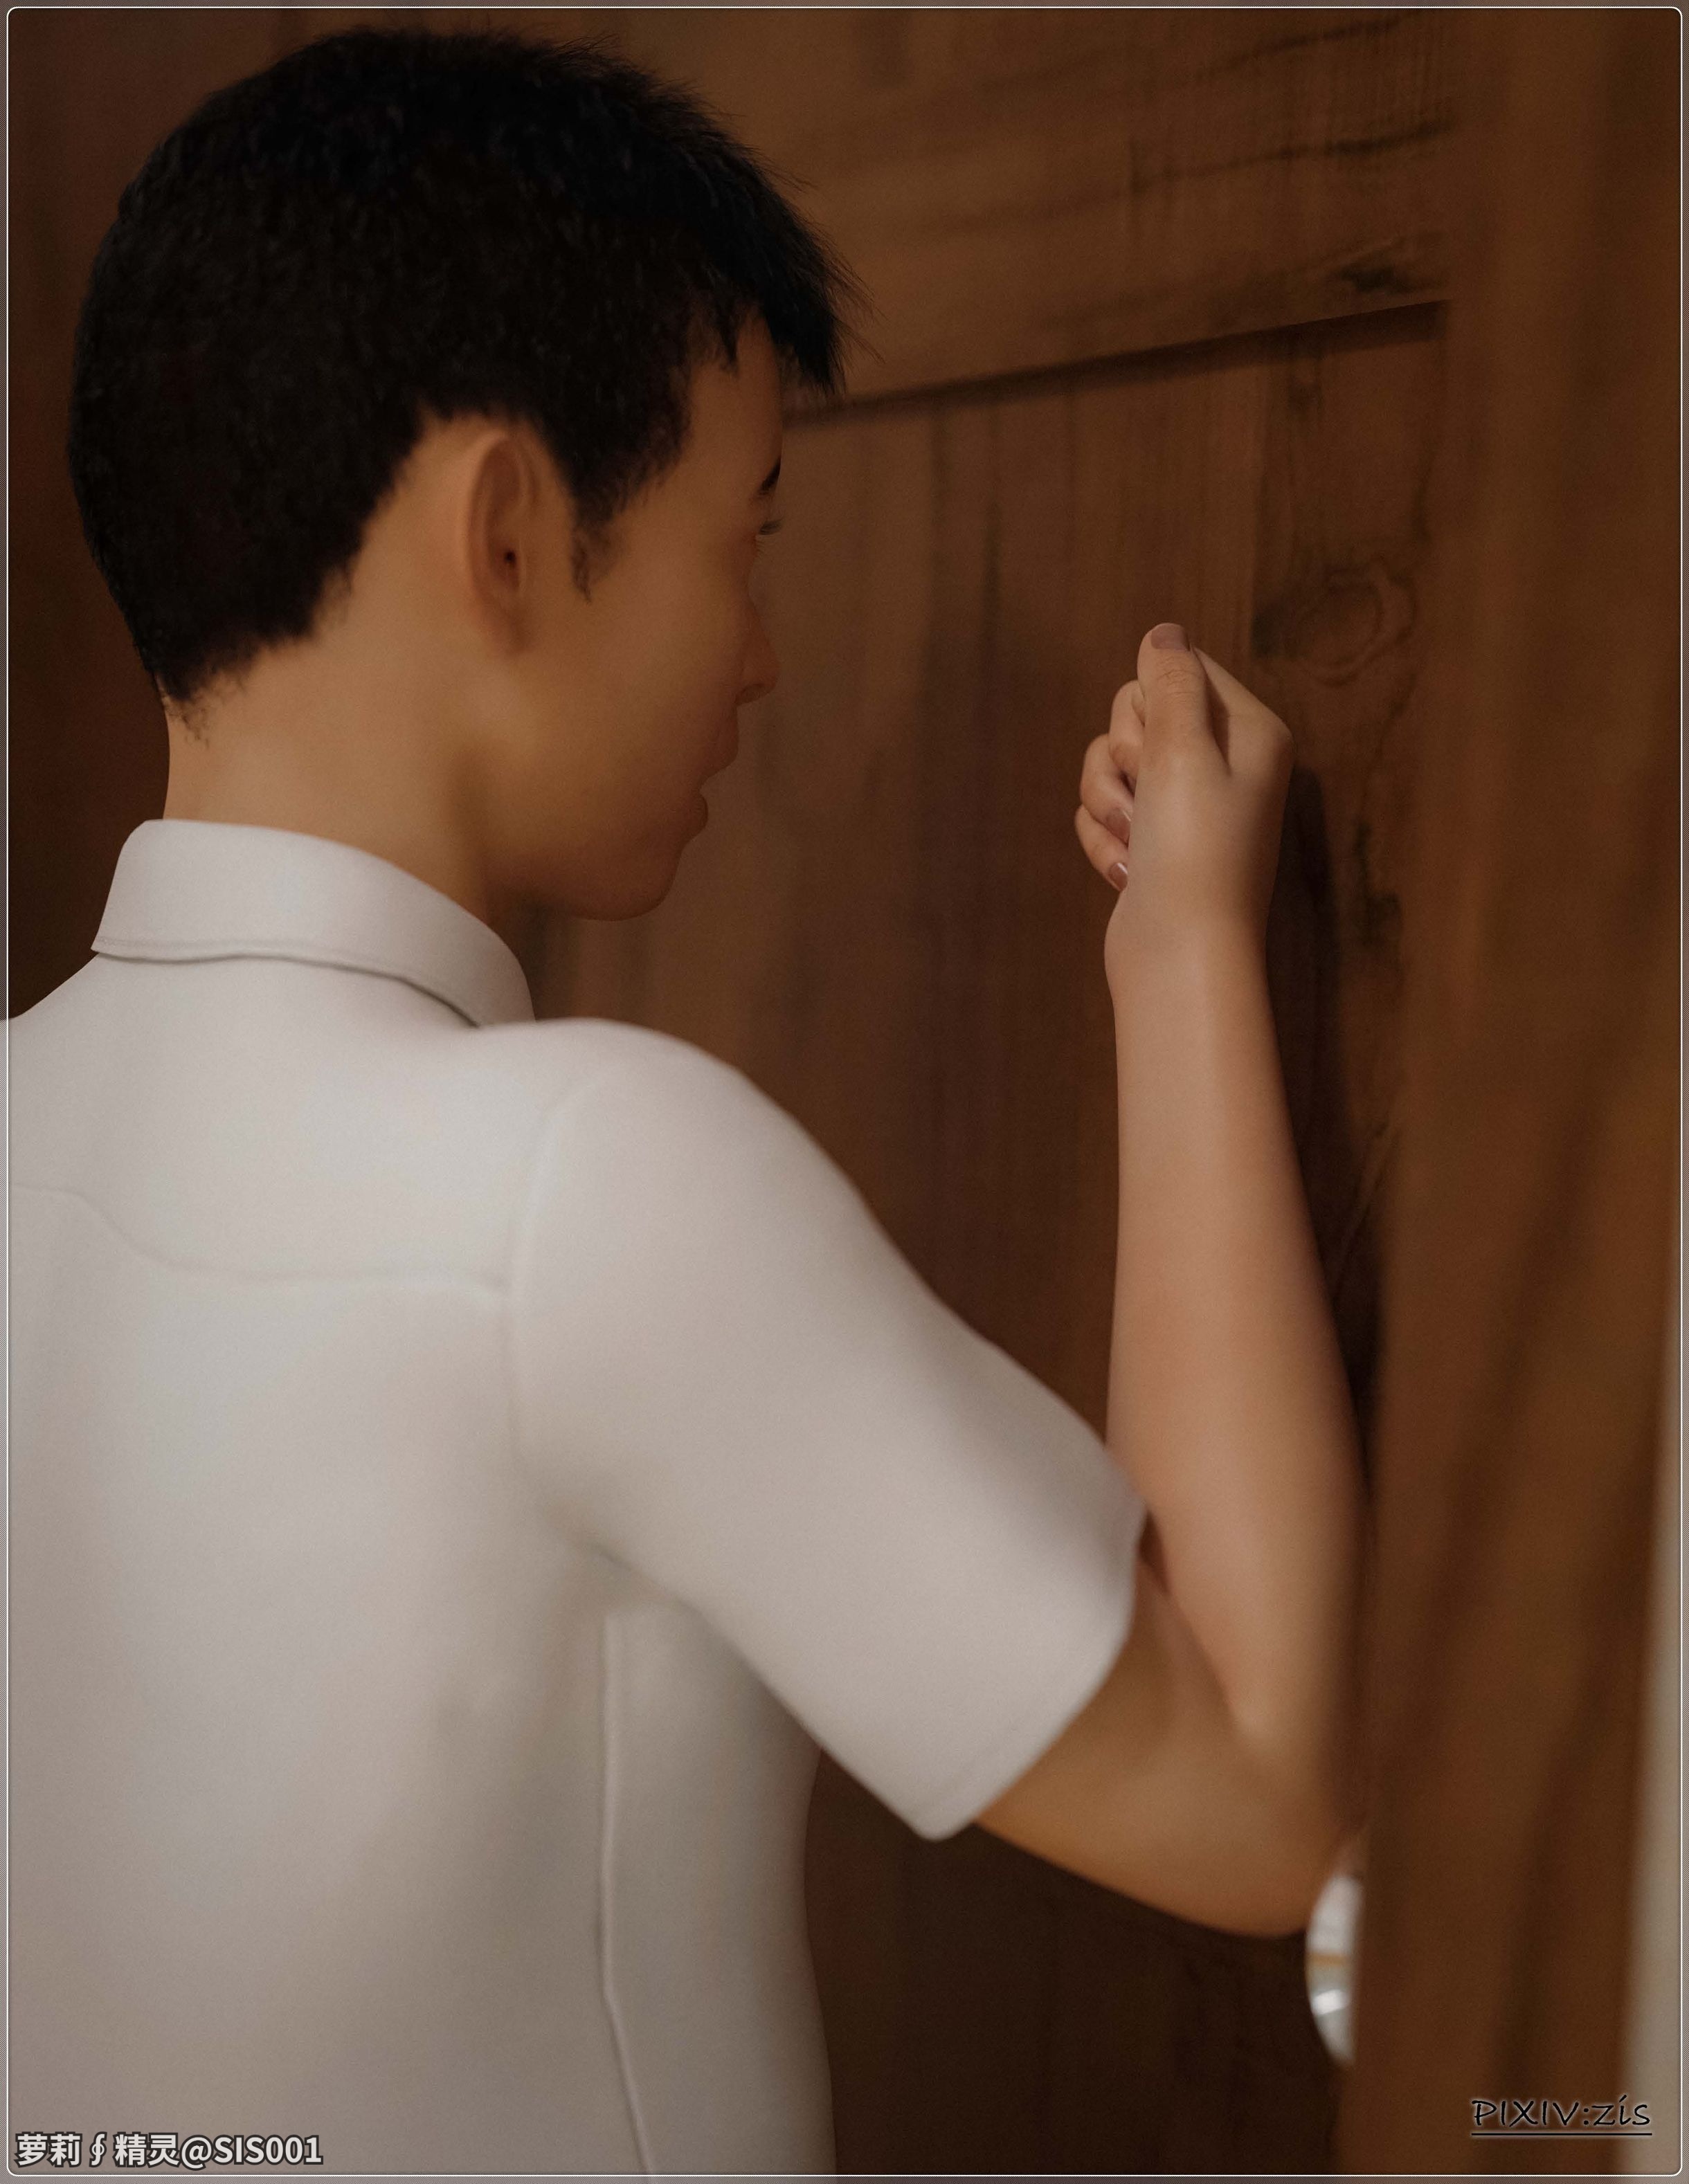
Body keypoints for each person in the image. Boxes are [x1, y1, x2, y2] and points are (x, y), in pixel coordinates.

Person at [6, 26, 1368, 2178]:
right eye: (745, 535)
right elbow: (1264, 1792)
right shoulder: (585, 1184)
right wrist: (1187, 943)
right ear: (509, 535)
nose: (757, 650)